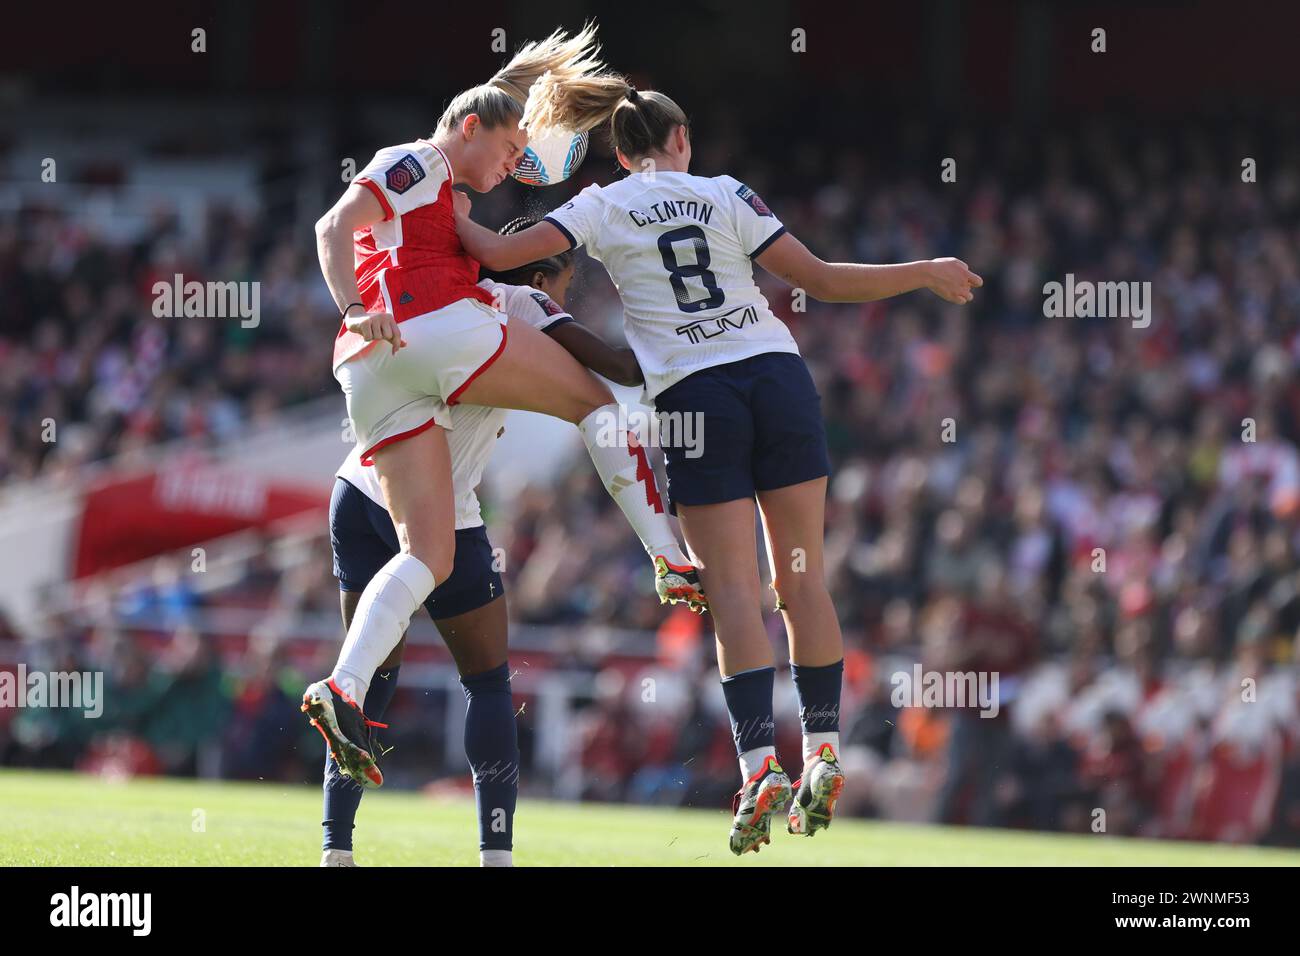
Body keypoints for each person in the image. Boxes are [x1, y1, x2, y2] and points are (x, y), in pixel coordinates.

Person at [456, 83, 982, 854]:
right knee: (802, 578)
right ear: (681, 141)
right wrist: (926, 268)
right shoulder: (726, 192)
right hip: (777, 379)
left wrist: (440, 194)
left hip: (697, 400)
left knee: (733, 589)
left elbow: (498, 255)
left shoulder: (601, 205)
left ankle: (761, 765)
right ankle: (827, 749)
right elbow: (824, 281)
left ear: (625, 152)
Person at [304, 26, 703, 791]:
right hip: (426, 327)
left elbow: (488, 108)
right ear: (468, 129)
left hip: (375, 374)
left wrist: (532, 76)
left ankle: (342, 689)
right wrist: (353, 304)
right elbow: (332, 227)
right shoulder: (421, 161)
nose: (513, 162)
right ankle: (670, 557)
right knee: (593, 407)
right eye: (507, 144)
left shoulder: (446, 188)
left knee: (429, 554)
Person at [321, 227, 666, 867]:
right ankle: (496, 856)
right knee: (486, 683)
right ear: (542, 278)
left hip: (358, 489)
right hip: (439, 512)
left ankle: (335, 850)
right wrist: (694, 348)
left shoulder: (446, 296)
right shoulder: (524, 304)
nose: (563, 303)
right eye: (564, 286)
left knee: (370, 681)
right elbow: (616, 368)